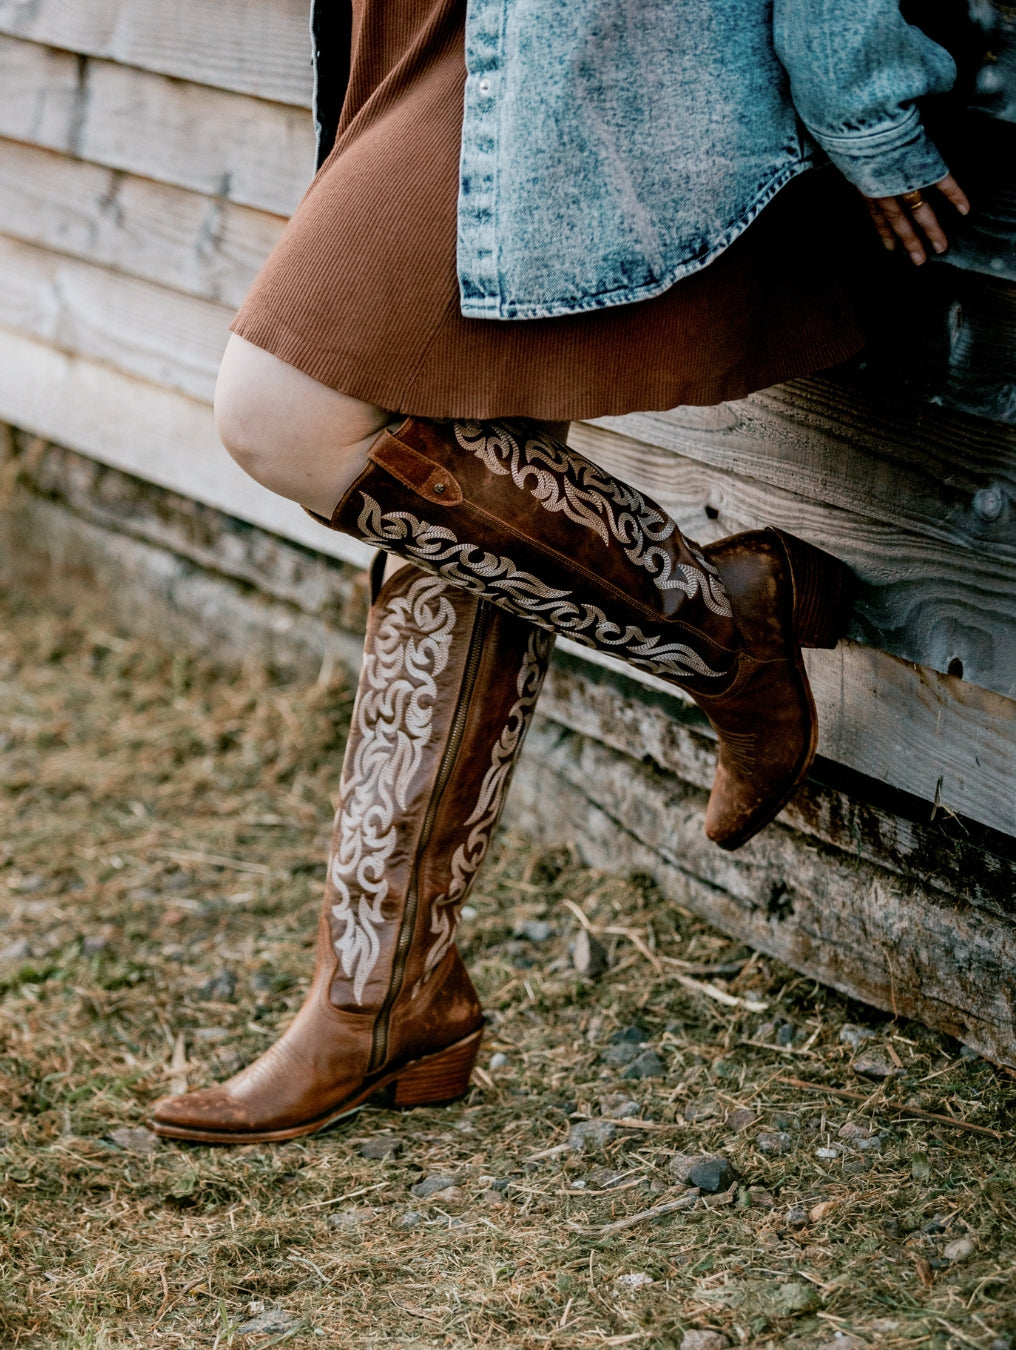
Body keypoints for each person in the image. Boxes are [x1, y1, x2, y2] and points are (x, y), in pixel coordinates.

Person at [150, 0, 969, 1143]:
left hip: (592, 42)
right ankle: (384, 992)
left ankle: (727, 636)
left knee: (282, 414)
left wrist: (864, 98)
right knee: (465, 438)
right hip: (427, 27)